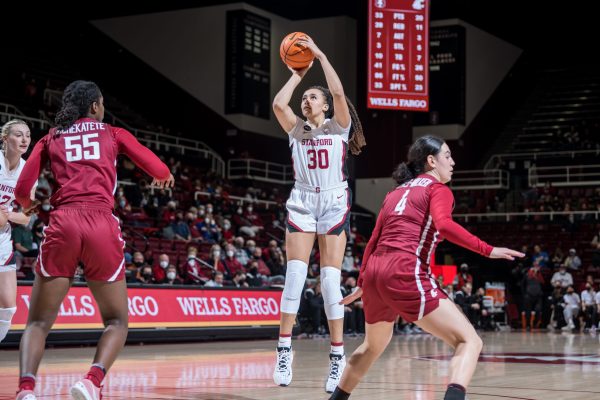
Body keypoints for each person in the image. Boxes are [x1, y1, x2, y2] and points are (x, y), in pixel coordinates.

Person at [329, 136, 523, 400]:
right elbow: (444, 226)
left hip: (375, 272)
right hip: (404, 269)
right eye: (447, 155)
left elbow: (373, 238)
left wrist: (363, 282)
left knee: (372, 346)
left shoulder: (395, 192)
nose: (453, 162)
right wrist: (488, 249)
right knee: (470, 341)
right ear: (431, 161)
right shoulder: (437, 189)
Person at [14, 80, 174, 400]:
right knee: (116, 321)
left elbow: (21, 191)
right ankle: (91, 381)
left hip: (64, 223)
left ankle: (27, 390)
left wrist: (28, 204)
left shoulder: (51, 137)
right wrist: (163, 177)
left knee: (38, 323)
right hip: (101, 223)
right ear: (96, 107)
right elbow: (158, 168)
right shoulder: (113, 133)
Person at [271, 35, 366, 393]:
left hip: (332, 201)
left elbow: (340, 95)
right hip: (303, 202)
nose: (307, 100)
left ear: (325, 106)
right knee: (294, 277)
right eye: (306, 97)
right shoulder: (297, 129)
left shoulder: (339, 129)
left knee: (329, 283)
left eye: (313, 96)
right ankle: (283, 350)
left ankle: (337, 357)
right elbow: (279, 104)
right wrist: (298, 72)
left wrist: (322, 56)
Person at [0, 119, 35, 345]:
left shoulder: (28, 171)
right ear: (5, 139)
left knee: (8, 308)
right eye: (18, 135)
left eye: (28, 135)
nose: (24, 140)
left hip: (3, 239)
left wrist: (7, 215)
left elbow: (26, 216)